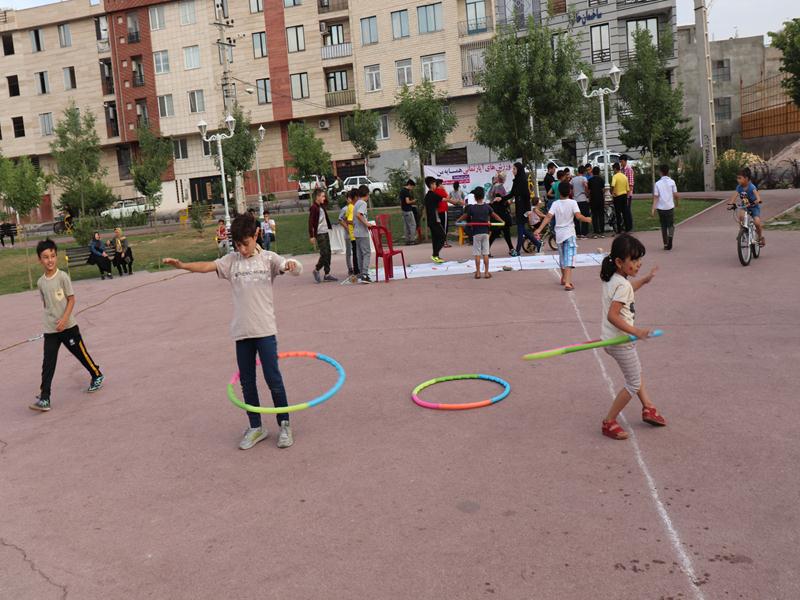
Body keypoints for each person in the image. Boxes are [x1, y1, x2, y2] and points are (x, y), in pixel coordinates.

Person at [162, 213, 302, 450]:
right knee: (247, 382)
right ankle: (256, 426)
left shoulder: (268, 259)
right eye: (237, 245)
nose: (242, 249)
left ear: (256, 235)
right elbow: (207, 266)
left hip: (265, 330)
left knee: (273, 378)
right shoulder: (231, 261)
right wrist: (183, 265)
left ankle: (284, 424)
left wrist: (292, 265)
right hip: (242, 333)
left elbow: (292, 268)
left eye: (245, 244)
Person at [599, 233, 665, 440]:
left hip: (611, 338)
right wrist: (636, 332)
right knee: (634, 382)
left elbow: (627, 292)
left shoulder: (614, 279)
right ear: (620, 262)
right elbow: (613, 315)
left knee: (635, 373)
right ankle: (609, 421)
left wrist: (643, 281)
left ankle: (648, 407)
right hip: (621, 341)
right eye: (634, 260)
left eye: (639, 259)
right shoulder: (622, 285)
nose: (639, 264)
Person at [30, 239, 105, 412]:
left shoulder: (63, 277)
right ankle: (45, 397)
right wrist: (50, 323)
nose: (50, 260)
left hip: (68, 327)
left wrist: (64, 319)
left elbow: (71, 299)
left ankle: (97, 374)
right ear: (40, 260)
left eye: (52, 256)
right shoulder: (41, 282)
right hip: (51, 329)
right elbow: (46, 305)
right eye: (45, 257)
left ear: (56, 256)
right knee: (48, 363)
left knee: (80, 354)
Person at [534, 181, 592, 291]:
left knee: (562, 257)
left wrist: (539, 229)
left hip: (559, 235)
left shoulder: (555, 204)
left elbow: (548, 217)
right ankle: (568, 283)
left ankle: (564, 278)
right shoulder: (573, 203)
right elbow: (578, 216)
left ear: (558, 192)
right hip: (569, 233)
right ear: (570, 191)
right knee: (569, 258)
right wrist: (587, 219)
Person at [457, 187, 504, 279]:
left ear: (474, 197)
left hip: (476, 233)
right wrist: (502, 221)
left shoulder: (472, 208)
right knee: (485, 253)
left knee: (477, 253)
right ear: (483, 196)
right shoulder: (487, 207)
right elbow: (494, 215)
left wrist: (458, 220)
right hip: (485, 233)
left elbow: (465, 216)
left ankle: (478, 272)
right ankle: (486, 272)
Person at [502, 162, 537, 257]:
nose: (513, 171)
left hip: (523, 209)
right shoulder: (516, 180)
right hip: (518, 206)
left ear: (519, 170)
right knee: (522, 230)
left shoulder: (523, 181)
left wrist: (528, 210)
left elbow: (527, 196)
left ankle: (517, 250)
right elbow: (512, 194)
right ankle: (538, 243)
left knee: (520, 230)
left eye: (514, 169)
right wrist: (501, 198)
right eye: (513, 169)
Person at [728, 167, 765, 247]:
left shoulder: (752, 187)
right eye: (737, 178)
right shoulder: (739, 187)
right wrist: (731, 204)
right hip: (744, 206)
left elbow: (758, 197)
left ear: (746, 178)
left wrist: (757, 201)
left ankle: (760, 237)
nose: (738, 180)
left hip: (753, 206)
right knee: (741, 216)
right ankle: (742, 232)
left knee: (757, 223)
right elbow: (735, 195)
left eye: (740, 178)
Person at [309, 189, 337, 283]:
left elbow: (328, 201)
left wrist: (324, 191)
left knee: (328, 252)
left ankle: (327, 274)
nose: (324, 198)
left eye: (324, 196)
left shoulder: (322, 205)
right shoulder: (314, 207)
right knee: (324, 253)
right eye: (322, 196)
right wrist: (312, 236)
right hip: (319, 233)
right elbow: (310, 222)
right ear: (317, 197)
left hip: (325, 232)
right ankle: (316, 269)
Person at [652, 165, 680, 250]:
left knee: (663, 226)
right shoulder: (672, 182)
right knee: (670, 225)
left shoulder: (657, 183)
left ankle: (665, 243)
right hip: (670, 206)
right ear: (668, 172)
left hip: (661, 208)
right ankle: (670, 238)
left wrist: (653, 208)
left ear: (660, 172)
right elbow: (676, 195)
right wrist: (677, 203)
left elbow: (656, 197)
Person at [353, 184, 373, 283]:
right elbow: (359, 215)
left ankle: (361, 274)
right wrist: (367, 223)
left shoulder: (356, 203)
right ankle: (365, 274)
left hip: (356, 232)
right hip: (362, 232)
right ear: (367, 194)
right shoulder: (363, 203)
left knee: (360, 254)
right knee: (366, 253)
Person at [424, 177, 446, 264]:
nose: (436, 186)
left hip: (431, 220)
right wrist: (457, 202)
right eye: (434, 184)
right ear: (431, 185)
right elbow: (444, 199)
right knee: (442, 236)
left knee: (435, 239)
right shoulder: (432, 195)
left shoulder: (427, 196)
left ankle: (436, 256)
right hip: (434, 221)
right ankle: (435, 255)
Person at [338, 189, 358, 282]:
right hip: (348, 234)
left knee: (355, 251)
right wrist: (347, 228)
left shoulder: (355, 207)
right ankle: (350, 268)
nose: (351, 200)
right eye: (349, 198)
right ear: (347, 199)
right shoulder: (345, 209)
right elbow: (341, 220)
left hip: (355, 233)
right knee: (349, 251)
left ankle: (356, 266)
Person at [611, 163, 631, 234]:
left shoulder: (615, 176)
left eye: (613, 169)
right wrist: (627, 197)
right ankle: (627, 228)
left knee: (618, 213)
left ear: (615, 169)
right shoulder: (624, 176)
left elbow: (613, 185)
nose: (613, 171)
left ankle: (619, 229)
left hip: (617, 197)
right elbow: (628, 189)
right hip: (624, 196)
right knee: (625, 213)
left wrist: (612, 192)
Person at [572, 165, 591, 239]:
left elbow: (570, 187)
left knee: (576, 217)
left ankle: (578, 233)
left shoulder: (573, 179)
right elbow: (586, 187)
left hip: (575, 200)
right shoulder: (584, 178)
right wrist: (587, 193)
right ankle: (584, 233)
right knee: (585, 215)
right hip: (583, 199)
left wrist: (573, 194)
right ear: (584, 172)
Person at [588, 166, 606, 238]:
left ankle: (596, 232)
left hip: (593, 200)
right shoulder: (601, 179)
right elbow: (603, 190)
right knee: (601, 216)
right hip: (600, 199)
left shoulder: (590, 180)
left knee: (594, 216)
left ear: (592, 172)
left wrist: (589, 198)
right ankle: (602, 232)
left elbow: (589, 191)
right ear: (599, 172)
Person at [620, 154, 635, 231]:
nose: (621, 163)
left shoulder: (629, 170)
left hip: (627, 194)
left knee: (627, 210)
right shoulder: (621, 170)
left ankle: (629, 226)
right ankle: (625, 226)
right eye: (620, 161)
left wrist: (628, 195)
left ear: (625, 161)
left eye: (622, 161)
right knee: (624, 211)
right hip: (622, 193)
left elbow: (631, 184)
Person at [399, 179, 417, 245]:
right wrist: (413, 201)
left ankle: (407, 240)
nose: (412, 188)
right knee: (412, 225)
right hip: (408, 210)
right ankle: (412, 240)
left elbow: (401, 201)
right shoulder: (406, 192)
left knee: (406, 226)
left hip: (404, 210)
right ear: (409, 185)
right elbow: (407, 201)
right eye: (412, 187)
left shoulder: (401, 191)